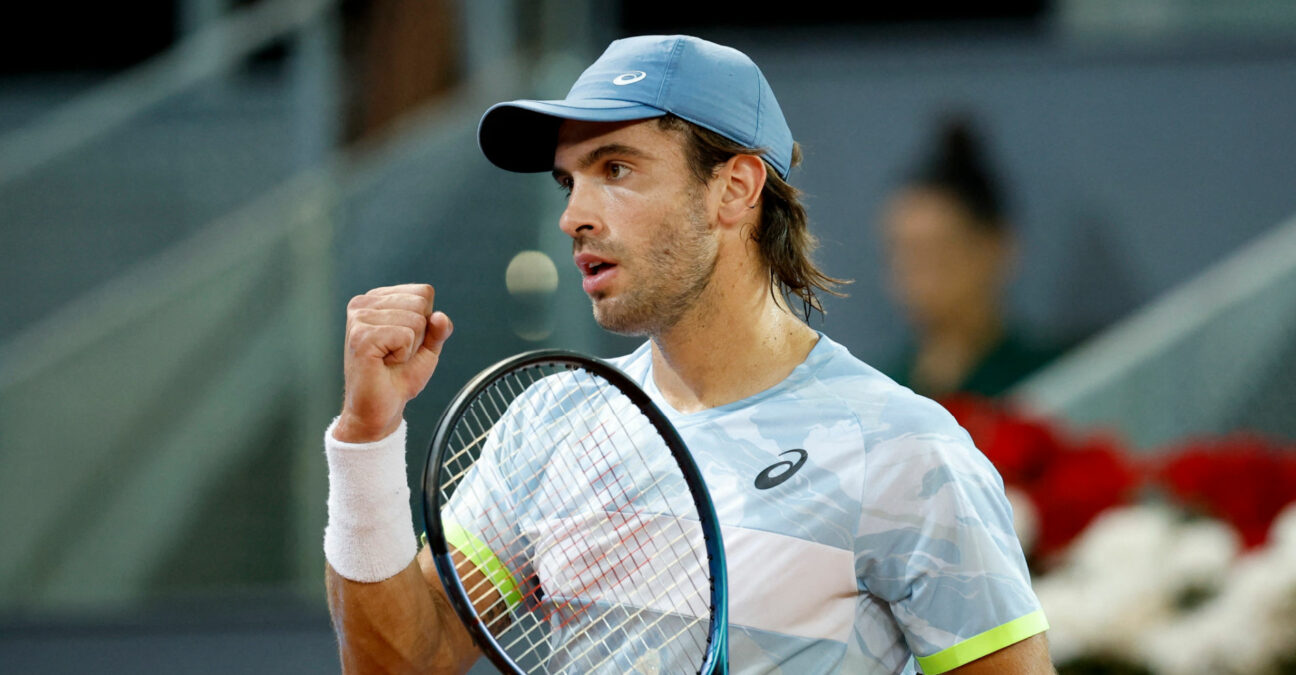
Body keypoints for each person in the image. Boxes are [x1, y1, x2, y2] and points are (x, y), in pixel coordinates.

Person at [323, 35, 1054, 674]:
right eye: (568, 180)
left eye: (616, 169)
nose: (573, 215)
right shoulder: (547, 426)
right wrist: (366, 440)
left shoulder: (905, 449)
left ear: (733, 189)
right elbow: (398, 665)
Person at [881, 117, 1059, 400]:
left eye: (938, 255)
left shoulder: (1058, 379)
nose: (917, 278)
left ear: (998, 248)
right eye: (902, 254)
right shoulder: (879, 392)